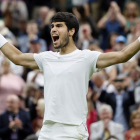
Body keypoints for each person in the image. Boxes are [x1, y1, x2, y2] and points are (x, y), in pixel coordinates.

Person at [0, 12, 140, 139]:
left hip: (73, 132)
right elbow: (16, 57)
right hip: (47, 132)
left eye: (59, 26)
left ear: (71, 31)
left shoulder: (87, 57)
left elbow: (123, 55)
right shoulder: (46, 58)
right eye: (52, 26)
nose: (53, 29)